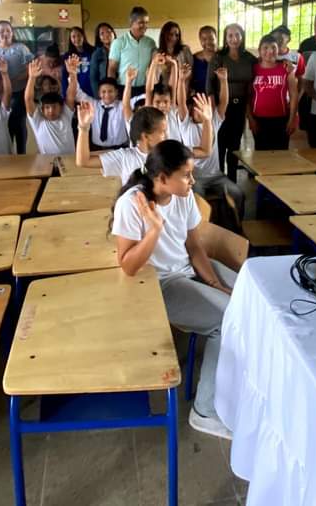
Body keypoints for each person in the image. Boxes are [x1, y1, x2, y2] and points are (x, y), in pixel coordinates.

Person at [111, 139, 236, 439]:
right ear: (162, 178)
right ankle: (205, 411)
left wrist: (215, 283)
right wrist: (154, 229)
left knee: (249, 295)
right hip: (160, 285)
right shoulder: (131, 204)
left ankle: (239, 383)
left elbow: (194, 246)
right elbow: (128, 265)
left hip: (187, 269)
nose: (192, 181)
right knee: (227, 322)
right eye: (186, 175)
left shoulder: (183, 195)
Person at [178, 65, 244, 228]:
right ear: (191, 111)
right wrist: (181, 80)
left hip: (216, 176)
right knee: (199, 199)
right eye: (198, 108)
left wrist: (223, 81)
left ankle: (235, 227)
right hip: (195, 177)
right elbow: (181, 102)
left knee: (237, 194)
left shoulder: (213, 121)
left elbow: (224, 102)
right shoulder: (186, 124)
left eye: (204, 107)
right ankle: (200, 229)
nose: (202, 111)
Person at [209, 23, 257, 182]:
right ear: (225, 38)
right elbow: (209, 84)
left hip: (240, 107)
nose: (234, 39)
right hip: (222, 107)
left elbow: (263, 67)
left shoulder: (249, 58)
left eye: (237, 35)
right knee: (220, 144)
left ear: (242, 37)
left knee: (234, 145)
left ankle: (232, 180)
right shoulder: (218, 57)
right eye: (230, 35)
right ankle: (219, 181)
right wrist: (213, 110)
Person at [249, 34, 299, 151]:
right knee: (261, 153)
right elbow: (247, 96)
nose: (270, 51)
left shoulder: (286, 68)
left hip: (281, 119)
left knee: (281, 154)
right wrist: (250, 119)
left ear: (278, 50)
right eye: (265, 48)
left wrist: (292, 119)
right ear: (259, 50)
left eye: (273, 47)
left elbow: (294, 95)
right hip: (258, 119)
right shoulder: (253, 69)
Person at [0, 20, 35, 154]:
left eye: (8, 30)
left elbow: (30, 68)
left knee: (19, 121)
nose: (5, 33)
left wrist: (11, 80)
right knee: (4, 122)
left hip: (18, 91)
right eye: (1, 31)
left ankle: (22, 153)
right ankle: (8, 152)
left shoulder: (21, 48)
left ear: (12, 33)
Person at [25, 56, 79, 155]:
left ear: (61, 108)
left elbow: (71, 95)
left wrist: (73, 74)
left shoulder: (65, 115)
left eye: (54, 107)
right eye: (47, 107)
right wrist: (31, 77)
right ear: (42, 109)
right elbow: (28, 100)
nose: (51, 111)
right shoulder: (38, 121)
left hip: (70, 161)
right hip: (46, 162)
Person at [107, 6, 155, 88]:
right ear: (131, 22)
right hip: (123, 88)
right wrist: (112, 89)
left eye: (147, 23)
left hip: (143, 88)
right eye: (141, 22)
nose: (145, 26)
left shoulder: (151, 43)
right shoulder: (119, 43)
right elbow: (112, 69)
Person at [156, 21, 192, 88]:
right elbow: (155, 78)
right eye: (170, 34)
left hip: (182, 89)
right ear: (164, 35)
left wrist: (185, 92)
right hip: (164, 91)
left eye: (177, 35)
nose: (174, 38)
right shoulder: (157, 53)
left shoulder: (185, 50)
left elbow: (190, 75)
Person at [65, 27, 95, 97]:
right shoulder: (67, 56)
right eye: (73, 36)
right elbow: (65, 77)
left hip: (93, 92)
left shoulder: (93, 52)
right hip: (76, 94)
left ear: (83, 36)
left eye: (79, 35)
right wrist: (66, 95)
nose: (76, 39)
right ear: (70, 39)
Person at [89, 22, 116, 95]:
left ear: (113, 33)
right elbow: (93, 78)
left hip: (121, 90)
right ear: (99, 38)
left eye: (108, 31)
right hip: (106, 93)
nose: (106, 34)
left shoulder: (122, 50)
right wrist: (98, 95)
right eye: (102, 33)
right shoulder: (97, 54)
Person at [191, 25, 217, 95]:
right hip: (200, 98)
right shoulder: (194, 59)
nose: (208, 42)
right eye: (204, 39)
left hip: (221, 98)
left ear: (216, 38)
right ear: (200, 40)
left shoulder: (223, 57)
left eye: (211, 38)